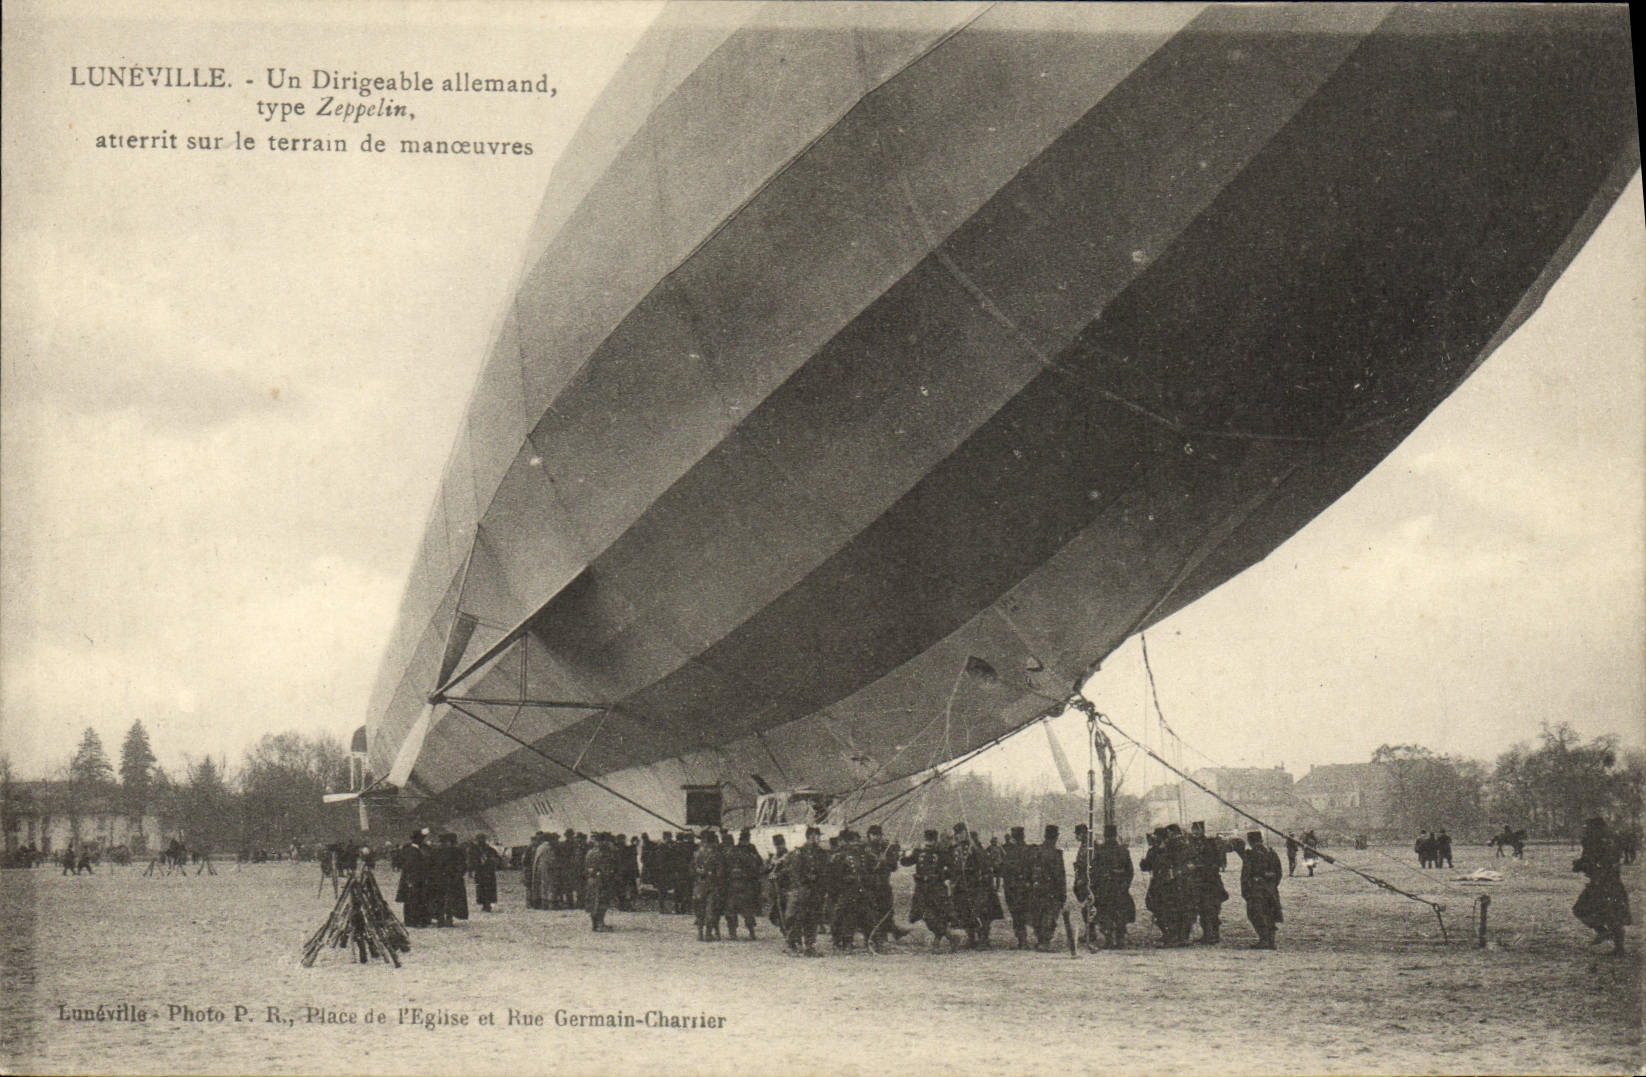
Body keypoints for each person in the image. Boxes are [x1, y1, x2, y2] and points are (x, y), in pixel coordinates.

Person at [1572, 817, 1630, 955]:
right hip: (1613, 882)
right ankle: (1619, 947)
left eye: (1588, 827)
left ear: (1595, 829)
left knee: (1580, 909)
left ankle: (1603, 932)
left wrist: (1580, 865)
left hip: (1600, 883)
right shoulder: (1611, 840)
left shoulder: (1594, 842)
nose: (1585, 830)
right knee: (1614, 914)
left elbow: (1593, 862)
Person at [902, 829, 955, 952]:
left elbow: (952, 868)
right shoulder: (919, 852)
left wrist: (943, 876)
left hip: (936, 888)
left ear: (935, 841)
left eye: (931, 841)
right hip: (921, 888)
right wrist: (905, 854)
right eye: (927, 840)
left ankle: (939, 942)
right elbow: (905, 863)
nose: (929, 843)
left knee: (937, 914)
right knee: (923, 914)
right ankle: (951, 937)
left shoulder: (941, 853)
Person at [1088, 824, 1136, 949]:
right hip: (1120, 887)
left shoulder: (1100, 850)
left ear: (1105, 836)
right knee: (1120, 912)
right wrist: (1125, 885)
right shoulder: (1123, 851)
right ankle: (1120, 939)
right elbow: (1130, 871)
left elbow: (1094, 871)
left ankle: (1109, 938)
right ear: (1115, 835)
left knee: (1105, 912)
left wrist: (1096, 886)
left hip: (1105, 888)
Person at [784, 826, 829, 955]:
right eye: (816, 836)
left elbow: (824, 871)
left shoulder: (821, 853)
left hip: (815, 891)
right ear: (810, 837)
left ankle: (810, 945)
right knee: (797, 917)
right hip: (802, 890)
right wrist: (805, 879)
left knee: (812, 917)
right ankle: (793, 944)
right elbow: (794, 872)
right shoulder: (799, 853)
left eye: (818, 836)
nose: (818, 839)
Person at [1235, 830, 1283, 949]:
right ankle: (1271, 941)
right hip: (1271, 890)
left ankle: (1264, 940)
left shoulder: (1251, 854)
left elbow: (1246, 873)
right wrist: (1272, 884)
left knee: (1256, 914)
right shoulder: (1271, 853)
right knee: (1270, 914)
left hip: (1256, 890)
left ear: (1250, 841)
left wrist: (1246, 890)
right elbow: (1279, 872)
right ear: (1261, 839)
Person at [1189, 821, 1228, 944]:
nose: (1194, 832)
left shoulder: (1209, 844)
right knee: (1202, 909)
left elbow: (1213, 862)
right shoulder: (1192, 843)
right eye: (1193, 829)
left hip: (1210, 882)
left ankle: (1213, 935)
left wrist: (1198, 866)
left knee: (1211, 909)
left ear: (1202, 830)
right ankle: (1207, 934)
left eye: (1197, 829)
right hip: (1199, 882)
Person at [1029, 824, 1066, 952]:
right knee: (1049, 915)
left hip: (1037, 888)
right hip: (1051, 890)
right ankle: (1045, 942)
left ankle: (1040, 940)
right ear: (1056, 837)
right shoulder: (1055, 854)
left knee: (1038, 914)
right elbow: (1059, 875)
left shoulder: (1037, 850)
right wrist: (1062, 893)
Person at [724, 829, 764, 940]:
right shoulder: (749, 850)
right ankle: (749, 932)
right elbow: (758, 864)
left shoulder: (735, 850)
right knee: (745, 908)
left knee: (735, 908)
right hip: (744, 883)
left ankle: (736, 933)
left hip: (736, 883)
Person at [1000, 826, 1034, 950]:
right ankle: (1026, 939)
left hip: (1013, 887)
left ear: (1013, 838)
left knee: (1016, 913)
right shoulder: (1029, 850)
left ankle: (1022, 940)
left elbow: (1005, 869)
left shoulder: (1010, 852)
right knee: (1024, 912)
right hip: (1026, 887)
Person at [692, 829, 728, 941]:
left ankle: (699, 933)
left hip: (699, 884)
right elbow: (721, 872)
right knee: (711, 909)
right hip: (712, 884)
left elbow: (691, 869)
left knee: (699, 908)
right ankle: (708, 934)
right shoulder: (716, 854)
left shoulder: (697, 853)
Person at [396, 830, 431, 928]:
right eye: (421, 839)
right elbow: (410, 866)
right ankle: (413, 921)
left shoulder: (410, 850)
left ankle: (411, 920)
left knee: (411, 900)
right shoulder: (413, 851)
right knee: (414, 900)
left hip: (412, 879)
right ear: (418, 840)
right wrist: (411, 880)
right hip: (413, 879)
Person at [584, 833, 617, 932]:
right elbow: (606, 868)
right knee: (601, 902)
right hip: (601, 880)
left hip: (591, 880)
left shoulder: (590, 852)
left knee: (593, 902)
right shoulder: (603, 854)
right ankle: (600, 924)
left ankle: (595, 925)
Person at [469, 834, 501, 913]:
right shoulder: (474, 850)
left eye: (482, 839)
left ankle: (488, 904)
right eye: (479, 839)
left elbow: (497, 859)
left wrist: (491, 861)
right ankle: (484, 903)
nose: (480, 841)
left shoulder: (490, 849)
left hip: (488, 872)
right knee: (481, 888)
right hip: (479, 871)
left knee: (488, 888)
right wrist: (470, 870)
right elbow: (470, 860)